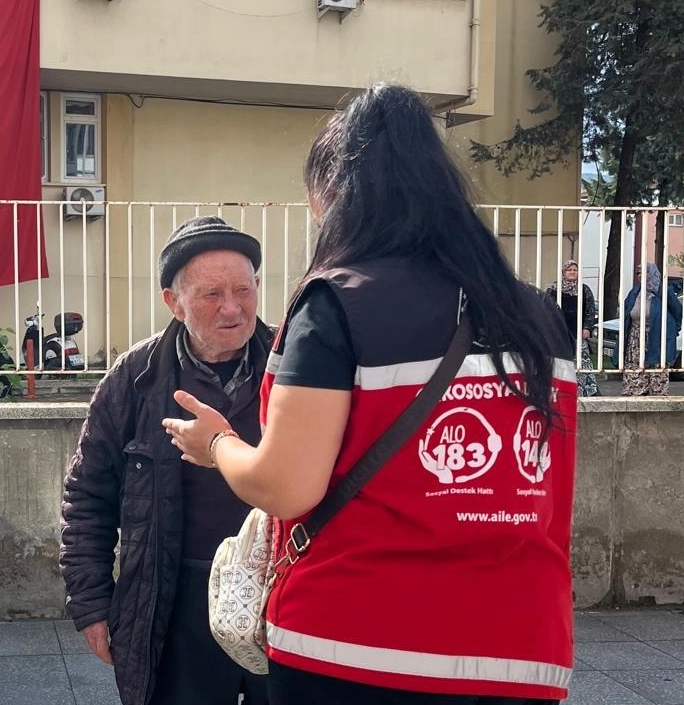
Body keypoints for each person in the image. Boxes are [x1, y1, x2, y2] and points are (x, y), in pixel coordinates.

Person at [163, 84, 578, 705]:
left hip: (356, 646)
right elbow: (548, 497)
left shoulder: (338, 303)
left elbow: (286, 485)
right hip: (521, 648)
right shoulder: (537, 317)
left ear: (336, 198)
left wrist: (217, 442)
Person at [60, 216, 271, 705]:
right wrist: (92, 605)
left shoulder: (295, 365)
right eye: (211, 294)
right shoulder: (135, 378)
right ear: (173, 303)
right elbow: (88, 496)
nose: (233, 308)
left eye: (244, 289)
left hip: (278, 592)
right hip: (172, 596)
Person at [622, 262, 683, 397]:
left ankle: (657, 394)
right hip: (636, 335)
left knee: (656, 364)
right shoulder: (635, 291)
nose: (640, 276)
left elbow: (677, 311)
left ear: (652, 273)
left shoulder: (663, 291)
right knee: (636, 364)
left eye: (644, 272)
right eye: (638, 273)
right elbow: (627, 310)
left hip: (657, 335)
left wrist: (673, 330)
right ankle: (636, 392)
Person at [545, 260, 600, 397]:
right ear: (564, 272)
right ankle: (560, 390)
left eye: (575, 270)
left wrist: (587, 327)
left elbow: (590, 310)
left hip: (578, 332)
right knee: (560, 361)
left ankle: (585, 391)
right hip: (559, 332)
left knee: (581, 362)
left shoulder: (584, 289)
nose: (572, 272)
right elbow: (546, 308)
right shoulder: (554, 289)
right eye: (569, 270)